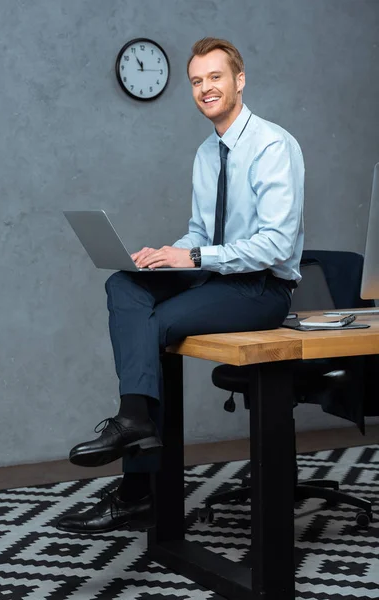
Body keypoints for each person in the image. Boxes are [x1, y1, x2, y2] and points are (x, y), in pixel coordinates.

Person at [56, 37, 304, 534]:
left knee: (158, 324)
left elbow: (275, 245)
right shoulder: (205, 153)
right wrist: (165, 258)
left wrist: (192, 256)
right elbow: (200, 233)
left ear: (239, 80)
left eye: (215, 77)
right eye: (196, 81)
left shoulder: (273, 145)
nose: (205, 88)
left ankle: (138, 488)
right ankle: (137, 424)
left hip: (262, 289)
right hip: (215, 275)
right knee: (125, 287)